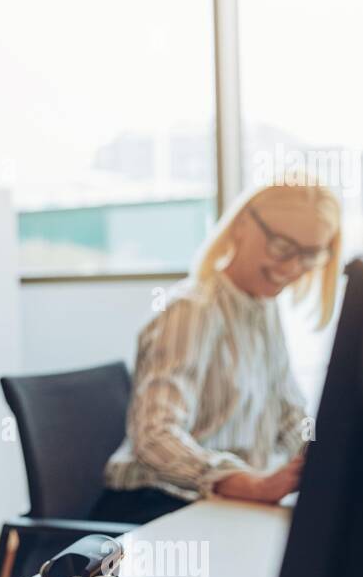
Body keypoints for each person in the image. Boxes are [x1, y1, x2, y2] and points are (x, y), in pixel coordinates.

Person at [93, 182, 343, 525]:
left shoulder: (264, 308)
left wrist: (323, 458)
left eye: (310, 254)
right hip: (154, 507)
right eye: (283, 246)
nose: (293, 266)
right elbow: (154, 436)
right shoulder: (192, 310)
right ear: (242, 226)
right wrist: (249, 484)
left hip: (224, 502)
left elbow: (288, 415)